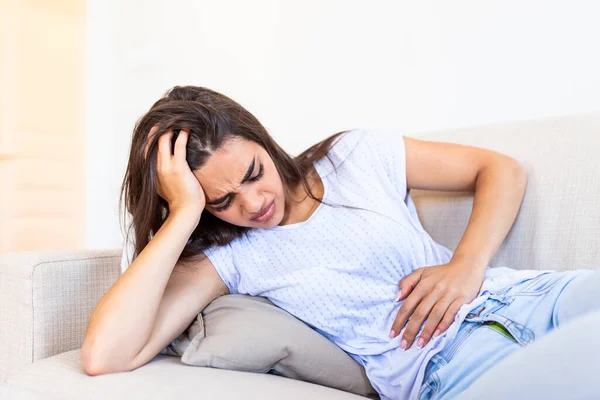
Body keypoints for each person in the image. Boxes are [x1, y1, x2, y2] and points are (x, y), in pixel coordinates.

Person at [81, 85, 597, 400]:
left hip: (528, 298)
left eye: (254, 173)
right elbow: (105, 354)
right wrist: (182, 215)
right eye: (222, 201)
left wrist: (466, 264)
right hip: (449, 371)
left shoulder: (354, 155)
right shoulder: (227, 259)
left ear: (261, 138)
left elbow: (499, 168)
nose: (254, 203)